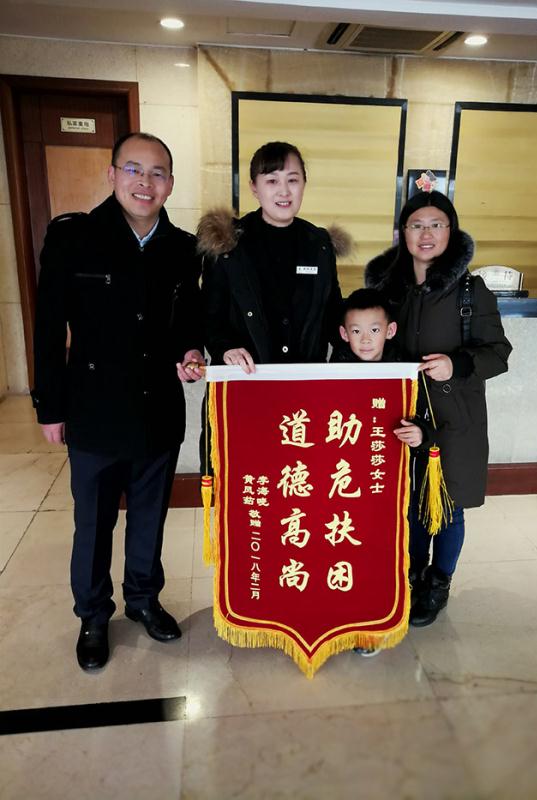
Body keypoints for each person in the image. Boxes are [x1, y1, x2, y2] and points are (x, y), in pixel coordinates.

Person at [32, 132, 204, 671]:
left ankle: (144, 600)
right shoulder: (74, 238)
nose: (144, 182)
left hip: (158, 409)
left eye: (157, 173)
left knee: (149, 517)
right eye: (133, 169)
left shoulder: (182, 249)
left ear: (170, 184)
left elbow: (189, 320)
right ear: (112, 175)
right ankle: (92, 615)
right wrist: (49, 407)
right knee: (94, 523)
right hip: (94, 410)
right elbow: (47, 328)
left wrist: (192, 349)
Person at [365, 190, 512, 627]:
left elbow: (499, 353)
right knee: (405, 504)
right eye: (416, 225)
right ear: (402, 232)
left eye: (436, 225)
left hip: (454, 419)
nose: (426, 234)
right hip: (398, 417)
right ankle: (409, 575)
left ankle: (438, 582)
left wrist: (457, 364)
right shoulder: (386, 290)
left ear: (451, 231)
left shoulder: (471, 290)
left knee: (447, 507)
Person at [332, 287, 431, 654]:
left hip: (389, 485)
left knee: (385, 549)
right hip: (344, 484)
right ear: (343, 334)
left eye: (374, 330)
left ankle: (375, 620)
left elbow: (428, 420)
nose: (365, 339)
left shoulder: (406, 372)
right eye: (356, 331)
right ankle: (342, 613)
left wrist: (420, 434)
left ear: (390, 330)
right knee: (345, 547)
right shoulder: (329, 373)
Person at [197, 141, 349, 373]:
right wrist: (225, 348)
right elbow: (210, 314)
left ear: (304, 184)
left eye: (292, 180)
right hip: (246, 380)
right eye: (272, 181)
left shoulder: (320, 244)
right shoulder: (227, 243)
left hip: (304, 381)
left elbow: (332, 314)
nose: (284, 191)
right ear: (254, 188)